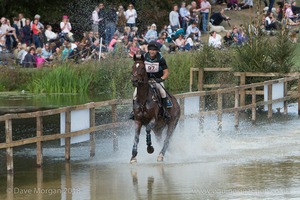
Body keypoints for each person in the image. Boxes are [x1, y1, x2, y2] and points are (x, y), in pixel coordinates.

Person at [130, 41, 171, 120]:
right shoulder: (144, 57)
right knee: (135, 94)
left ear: (157, 51)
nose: (152, 52)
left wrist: (161, 79)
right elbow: (138, 65)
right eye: (150, 50)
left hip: (157, 80)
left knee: (163, 92)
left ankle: (165, 111)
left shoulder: (161, 59)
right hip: (146, 81)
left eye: (154, 50)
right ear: (148, 50)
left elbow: (166, 73)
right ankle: (133, 112)